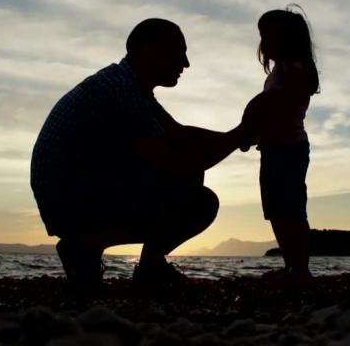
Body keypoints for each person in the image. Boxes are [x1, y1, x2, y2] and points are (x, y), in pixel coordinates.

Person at [30, 18, 253, 293]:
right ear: (151, 51)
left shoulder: (129, 86)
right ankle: (88, 245)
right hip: (70, 198)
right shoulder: (120, 90)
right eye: (179, 52)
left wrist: (239, 134)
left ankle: (144, 264)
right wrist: (238, 137)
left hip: (77, 191)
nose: (186, 63)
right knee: (199, 201)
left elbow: (179, 135)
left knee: (190, 172)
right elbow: (172, 159)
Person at [246, 5, 320, 283]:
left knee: (291, 208)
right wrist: (254, 132)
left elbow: (278, 105)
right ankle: (291, 265)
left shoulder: (297, 70)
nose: (263, 44)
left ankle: (300, 267)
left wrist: (253, 116)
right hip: (273, 148)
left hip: (289, 148)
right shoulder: (279, 71)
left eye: (268, 37)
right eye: (262, 37)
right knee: (276, 209)